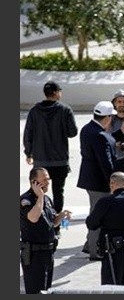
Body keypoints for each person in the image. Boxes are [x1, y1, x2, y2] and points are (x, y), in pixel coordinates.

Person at [85, 171, 124, 286]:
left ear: (112, 184)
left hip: (113, 252)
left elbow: (91, 224)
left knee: (112, 288)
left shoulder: (105, 202)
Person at [23, 80, 78, 213]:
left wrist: (28, 153)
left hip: (40, 161)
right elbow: (73, 132)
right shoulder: (65, 110)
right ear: (55, 93)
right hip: (60, 160)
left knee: (38, 191)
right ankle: (56, 223)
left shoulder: (34, 111)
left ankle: (40, 217)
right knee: (58, 192)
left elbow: (28, 133)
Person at [20, 167, 71, 294]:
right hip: (34, 254)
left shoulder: (47, 200)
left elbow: (52, 223)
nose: (48, 182)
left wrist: (61, 215)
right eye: (44, 180)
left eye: (48, 179)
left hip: (48, 252)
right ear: (34, 182)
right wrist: (40, 197)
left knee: (46, 290)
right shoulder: (26, 200)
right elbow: (33, 217)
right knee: (36, 291)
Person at [77, 100, 117, 260]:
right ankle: (94, 250)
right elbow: (105, 162)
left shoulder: (87, 129)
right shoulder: (100, 135)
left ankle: (89, 244)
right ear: (107, 118)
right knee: (97, 215)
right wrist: (113, 181)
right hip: (99, 182)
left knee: (95, 211)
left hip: (90, 179)